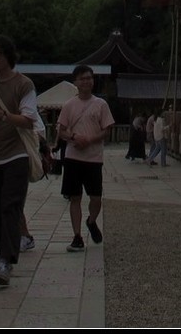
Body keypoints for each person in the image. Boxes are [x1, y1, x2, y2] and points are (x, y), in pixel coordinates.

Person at [0, 35, 38, 288]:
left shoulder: (24, 84)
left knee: (10, 206)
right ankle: (3, 253)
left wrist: (4, 116)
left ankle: (5, 260)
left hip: (16, 153)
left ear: (9, 55)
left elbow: (28, 119)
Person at [56, 64, 115, 252]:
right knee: (75, 197)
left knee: (96, 197)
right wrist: (74, 137)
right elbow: (61, 130)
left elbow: (107, 129)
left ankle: (91, 220)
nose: (86, 81)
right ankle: (77, 236)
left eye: (89, 77)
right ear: (76, 82)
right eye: (82, 78)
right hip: (73, 157)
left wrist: (90, 139)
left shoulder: (101, 104)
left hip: (94, 157)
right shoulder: (69, 105)